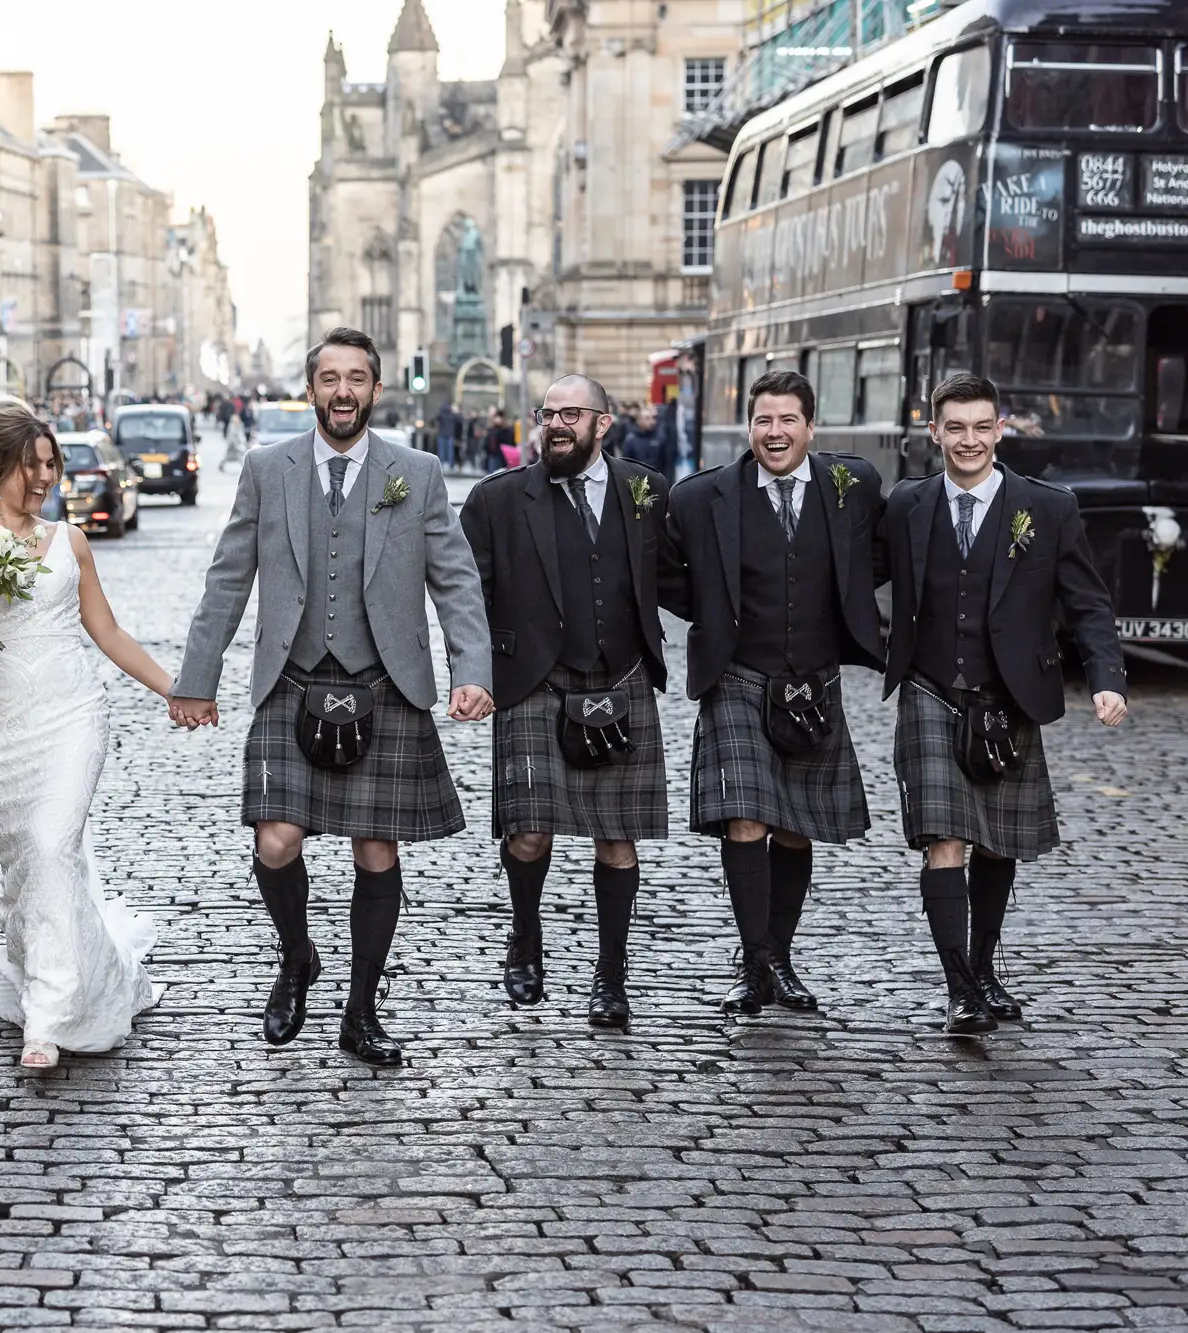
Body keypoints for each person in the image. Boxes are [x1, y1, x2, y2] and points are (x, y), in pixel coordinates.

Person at [172, 326, 494, 1067]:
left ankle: (360, 1011)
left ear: (375, 390)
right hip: (294, 678)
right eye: (329, 378)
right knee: (275, 840)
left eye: (357, 379)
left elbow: (455, 579)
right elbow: (228, 578)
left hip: (387, 683)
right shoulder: (266, 468)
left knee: (376, 848)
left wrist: (471, 668)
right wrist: (197, 679)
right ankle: (296, 957)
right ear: (310, 387)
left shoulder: (415, 469)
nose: (342, 391)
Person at [0, 405, 171, 1068]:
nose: (42, 477)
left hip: (72, 716)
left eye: (49, 464)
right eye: (29, 465)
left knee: (49, 841)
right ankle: (45, 966)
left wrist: (175, 687)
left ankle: (47, 1015)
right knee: (28, 865)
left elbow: (109, 632)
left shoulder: (71, 541)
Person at [880, 373, 1128, 1033]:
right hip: (930, 687)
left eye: (981, 427)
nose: (968, 440)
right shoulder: (906, 504)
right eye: (954, 427)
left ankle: (983, 965)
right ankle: (959, 986)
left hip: (1011, 694)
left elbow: (1088, 602)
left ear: (1000, 429)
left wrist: (1108, 676)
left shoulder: (1046, 508)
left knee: (996, 843)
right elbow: (853, 576)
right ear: (934, 432)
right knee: (947, 837)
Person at [660, 370, 887, 1014]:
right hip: (737, 677)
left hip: (814, 680)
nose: (776, 432)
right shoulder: (703, 497)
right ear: (748, 427)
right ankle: (753, 963)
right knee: (747, 818)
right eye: (764, 420)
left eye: (788, 420)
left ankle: (781, 958)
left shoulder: (853, 487)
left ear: (811, 427)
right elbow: (664, 571)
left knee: (795, 827)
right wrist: (712, 612)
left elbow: (880, 558)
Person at [458, 375, 670, 1029]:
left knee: (618, 839)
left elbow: (685, 579)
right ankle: (525, 934)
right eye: (546, 413)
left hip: (622, 678)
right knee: (527, 833)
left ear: (603, 424)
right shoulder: (496, 500)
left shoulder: (647, 492)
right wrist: (474, 670)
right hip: (533, 682)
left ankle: (611, 975)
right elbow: (465, 598)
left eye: (570, 414)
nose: (555, 424)